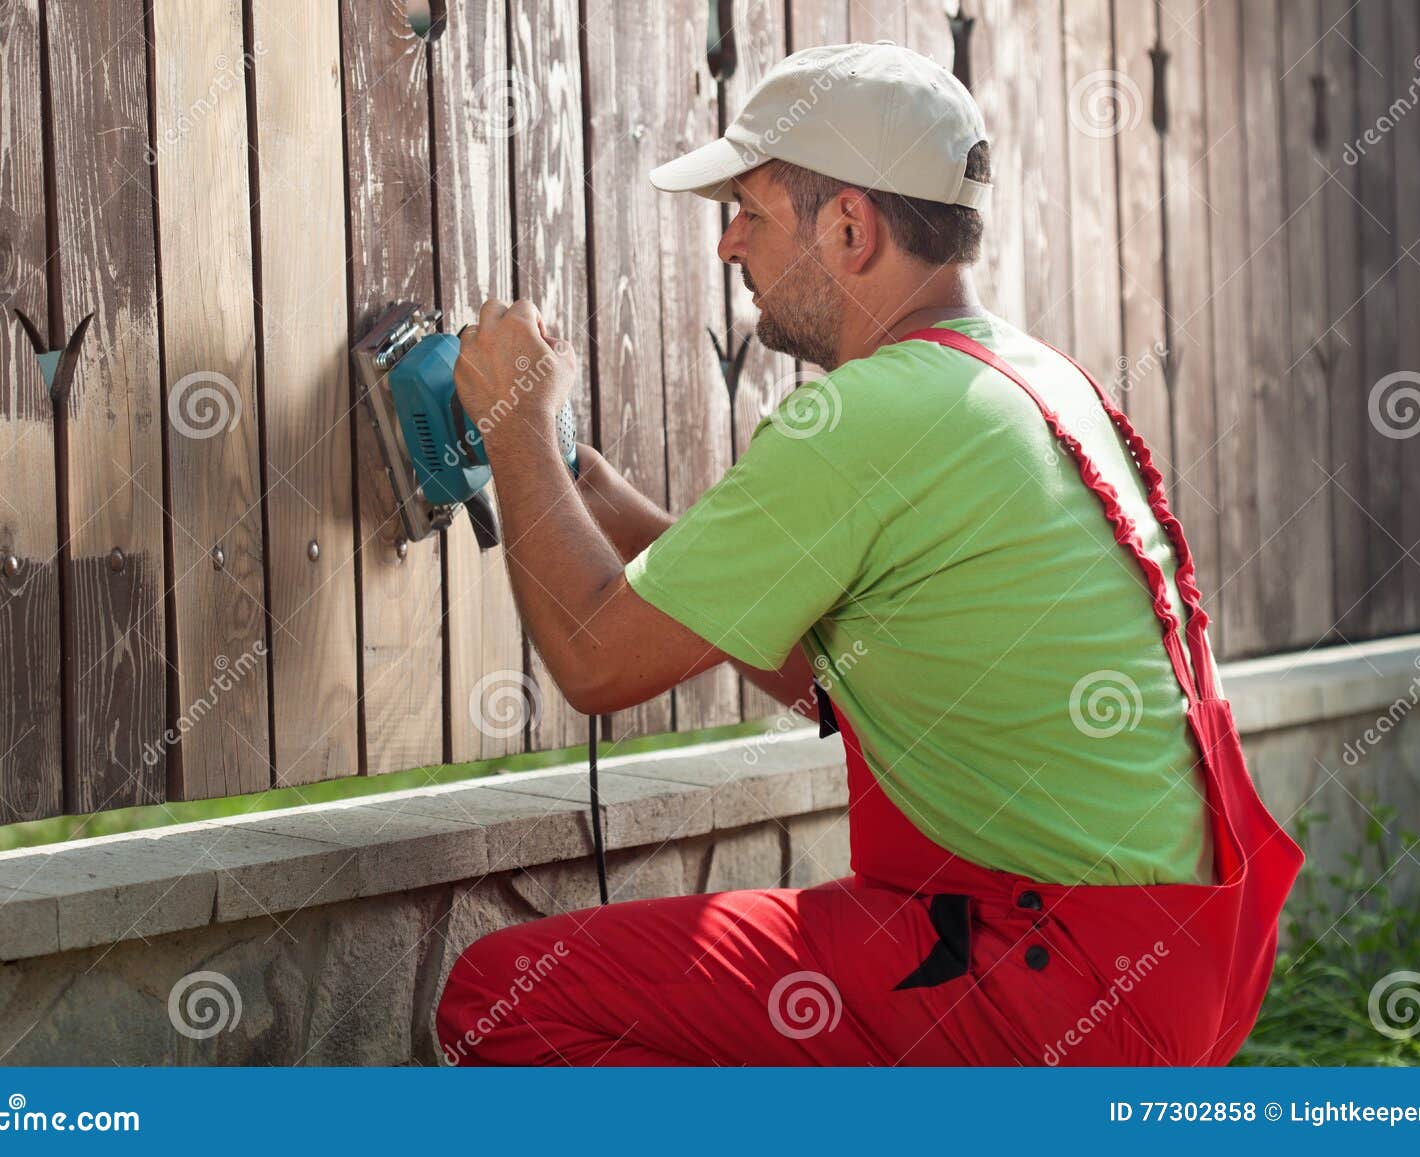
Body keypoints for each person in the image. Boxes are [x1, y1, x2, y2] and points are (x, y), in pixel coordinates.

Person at [434, 41, 1302, 1066]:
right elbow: (831, 676)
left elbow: (590, 660)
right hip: (1167, 967)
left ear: (849, 225)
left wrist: (515, 424)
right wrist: (581, 481)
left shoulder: (867, 416)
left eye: (750, 211)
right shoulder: (1027, 378)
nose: (728, 248)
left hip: (1048, 979)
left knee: (502, 995)